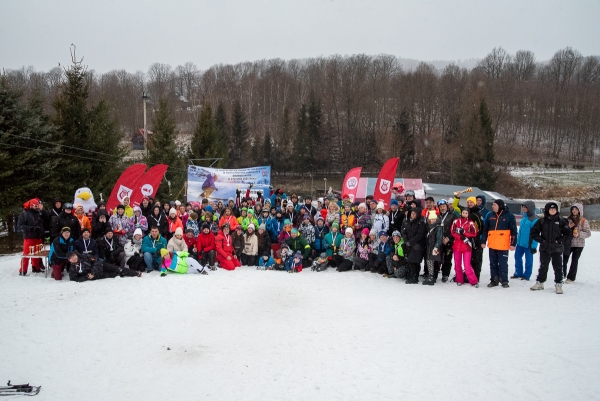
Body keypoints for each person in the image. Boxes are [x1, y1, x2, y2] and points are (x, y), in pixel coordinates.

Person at [530, 202, 571, 294]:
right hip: (545, 247)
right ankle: (540, 282)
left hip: (557, 248)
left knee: (558, 267)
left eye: (554, 209)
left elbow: (568, 234)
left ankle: (558, 284)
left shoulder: (561, 221)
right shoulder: (542, 221)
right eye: (551, 209)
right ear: (547, 210)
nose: (553, 210)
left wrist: (560, 240)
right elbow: (534, 233)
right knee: (543, 266)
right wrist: (541, 240)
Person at [481, 199, 517, 288]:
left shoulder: (509, 216)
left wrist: (513, 244)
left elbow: (514, 231)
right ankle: (494, 280)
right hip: (492, 245)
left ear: (500, 206)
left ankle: (504, 280)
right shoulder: (489, 215)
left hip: (503, 245)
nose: (492, 206)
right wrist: (483, 241)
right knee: (492, 263)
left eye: (494, 205)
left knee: (503, 263)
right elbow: (485, 230)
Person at [452, 194, 485, 281]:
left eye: (471, 202)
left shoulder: (477, 214)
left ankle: (475, 277)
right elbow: (455, 206)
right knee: (468, 261)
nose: (469, 204)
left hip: (475, 240)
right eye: (468, 202)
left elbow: (481, 228)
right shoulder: (464, 211)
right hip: (464, 241)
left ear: (475, 203)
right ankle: (465, 276)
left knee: (476, 260)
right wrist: (457, 197)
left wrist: (478, 239)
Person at [450, 209, 479, 287]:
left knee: (467, 265)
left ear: (468, 214)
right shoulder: (456, 221)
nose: (464, 214)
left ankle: (473, 281)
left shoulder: (471, 223)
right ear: (461, 213)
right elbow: (452, 232)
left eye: (466, 213)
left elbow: (475, 233)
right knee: (457, 264)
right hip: (457, 246)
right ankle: (459, 279)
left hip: (467, 246)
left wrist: (465, 233)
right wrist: (460, 237)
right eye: (463, 212)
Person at [68, 251, 141, 282]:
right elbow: (74, 278)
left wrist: (93, 272)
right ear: (69, 260)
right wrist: (87, 277)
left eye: (74, 256)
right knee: (116, 275)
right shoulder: (72, 269)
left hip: (102, 266)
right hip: (98, 275)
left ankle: (135, 273)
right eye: (71, 258)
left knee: (119, 269)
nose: (73, 258)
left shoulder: (84, 256)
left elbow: (96, 261)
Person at [563, 203, 591, 283]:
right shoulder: (568, 219)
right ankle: (562, 274)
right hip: (568, 243)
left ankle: (571, 278)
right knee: (564, 259)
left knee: (574, 261)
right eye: (573, 209)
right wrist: (568, 228)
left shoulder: (583, 221)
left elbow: (588, 233)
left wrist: (579, 234)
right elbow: (563, 230)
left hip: (579, 244)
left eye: (576, 209)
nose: (574, 211)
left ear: (580, 210)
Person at [17, 198, 45, 275]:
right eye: (35, 206)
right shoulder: (24, 214)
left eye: (37, 206)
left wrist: (41, 231)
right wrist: (31, 228)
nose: (37, 207)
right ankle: (23, 270)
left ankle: (35, 267)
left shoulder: (39, 213)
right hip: (29, 237)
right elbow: (20, 226)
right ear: (31, 205)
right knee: (26, 254)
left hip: (38, 236)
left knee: (37, 253)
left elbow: (41, 224)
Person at [512, 201, 538, 281]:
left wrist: (534, 245)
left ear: (530, 208)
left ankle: (527, 275)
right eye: (523, 207)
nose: (523, 208)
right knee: (517, 257)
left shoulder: (534, 219)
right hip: (520, 243)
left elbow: (535, 233)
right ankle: (518, 272)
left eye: (525, 207)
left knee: (528, 260)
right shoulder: (523, 218)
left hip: (529, 244)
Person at [402, 208, 427, 284]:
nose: (412, 215)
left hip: (417, 245)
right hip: (409, 244)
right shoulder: (408, 222)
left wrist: (411, 242)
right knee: (410, 261)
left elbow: (420, 234)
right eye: (411, 213)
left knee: (415, 262)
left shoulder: (421, 222)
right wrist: (406, 241)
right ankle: (412, 275)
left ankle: (414, 277)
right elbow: (404, 232)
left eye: (414, 214)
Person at [437, 199, 456, 282]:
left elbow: (455, 229)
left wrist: (448, 238)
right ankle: (435, 273)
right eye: (440, 207)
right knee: (438, 257)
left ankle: (445, 274)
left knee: (447, 258)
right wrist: (440, 238)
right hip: (439, 240)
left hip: (449, 240)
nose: (442, 208)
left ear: (447, 206)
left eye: (444, 206)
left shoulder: (453, 215)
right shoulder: (437, 216)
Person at [423, 210, 443, 285]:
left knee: (431, 261)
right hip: (429, 247)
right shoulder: (428, 227)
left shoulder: (438, 227)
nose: (432, 220)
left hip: (433, 247)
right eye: (431, 219)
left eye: (434, 219)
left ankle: (431, 277)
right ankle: (431, 276)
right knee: (429, 261)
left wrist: (436, 247)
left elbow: (439, 239)